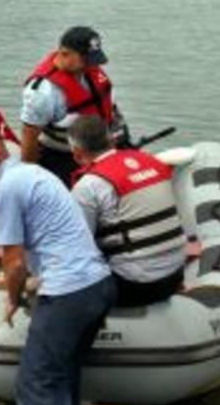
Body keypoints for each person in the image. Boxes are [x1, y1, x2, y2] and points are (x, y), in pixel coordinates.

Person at [0, 116, 117, 405]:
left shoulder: (9, 188)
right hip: (99, 284)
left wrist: (13, 297)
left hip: (69, 292)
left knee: (35, 379)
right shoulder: (34, 173)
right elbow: (40, 247)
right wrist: (27, 281)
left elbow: (13, 261)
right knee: (64, 367)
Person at [68, 115, 187, 307]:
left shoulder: (87, 187)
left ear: (77, 153)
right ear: (112, 140)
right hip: (175, 274)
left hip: (134, 285)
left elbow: (76, 248)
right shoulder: (152, 162)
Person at [20, 26, 127, 187]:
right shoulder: (43, 93)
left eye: (93, 59)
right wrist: (29, 178)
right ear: (64, 53)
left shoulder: (89, 71)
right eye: (86, 60)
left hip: (107, 146)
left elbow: (109, 109)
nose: (91, 65)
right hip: (64, 158)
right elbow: (30, 138)